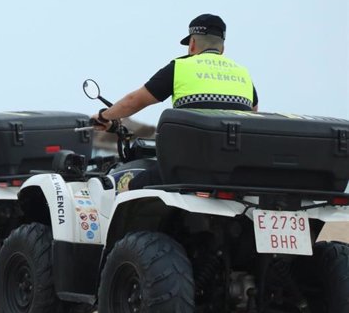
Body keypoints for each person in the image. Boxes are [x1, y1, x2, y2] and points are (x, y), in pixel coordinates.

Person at [91, 13, 258, 190]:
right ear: (222, 48)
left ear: (192, 44)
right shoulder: (244, 75)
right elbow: (253, 117)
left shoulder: (180, 67)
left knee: (127, 187)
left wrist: (104, 116)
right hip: (233, 173)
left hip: (188, 168)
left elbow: (134, 101)